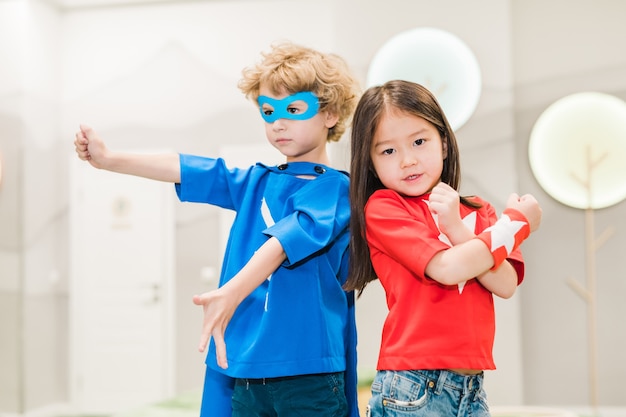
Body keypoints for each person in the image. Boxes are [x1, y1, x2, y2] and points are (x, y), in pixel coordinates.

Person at [74, 41, 361, 417]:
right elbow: (187, 168)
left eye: (293, 109)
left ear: (331, 114)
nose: (278, 122)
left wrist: (230, 293)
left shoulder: (336, 189)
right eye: (268, 111)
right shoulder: (256, 182)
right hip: (244, 369)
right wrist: (109, 159)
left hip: (306, 370)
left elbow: (284, 242)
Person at [344, 80, 542, 417]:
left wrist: (457, 227)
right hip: (412, 385)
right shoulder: (384, 207)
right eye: (388, 150)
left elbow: (505, 283)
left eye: (419, 142)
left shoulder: (479, 211)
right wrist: (516, 225)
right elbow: (447, 269)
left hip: (471, 388)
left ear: (445, 144)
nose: (408, 160)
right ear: (370, 163)